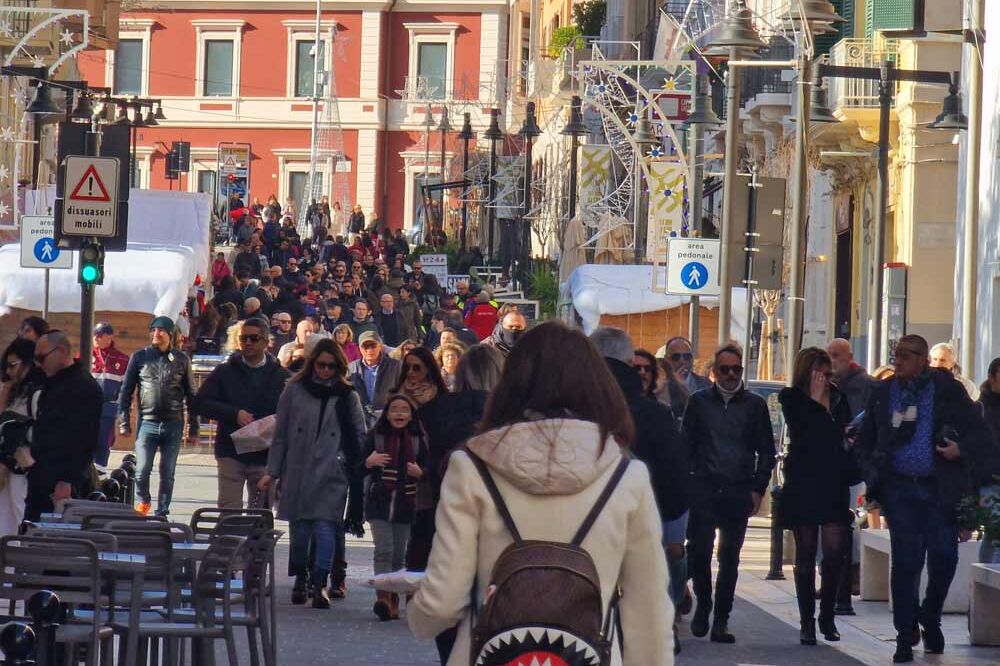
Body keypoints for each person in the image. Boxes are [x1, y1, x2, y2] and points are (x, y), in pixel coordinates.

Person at [407, 321, 672, 666]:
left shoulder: (472, 466)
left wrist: (418, 617)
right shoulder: (626, 476)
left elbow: (443, 601)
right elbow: (648, 607)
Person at [856, 334, 991, 663]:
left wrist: (961, 450)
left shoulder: (947, 391)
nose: (898, 360)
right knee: (906, 562)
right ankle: (904, 635)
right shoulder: (884, 392)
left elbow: (980, 433)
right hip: (900, 489)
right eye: (896, 354)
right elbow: (866, 441)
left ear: (922, 360)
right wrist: (876, 478)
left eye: (906, 355)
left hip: (938, 489)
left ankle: (929, 615)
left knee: (945, 558)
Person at [591, 327, 691, 656]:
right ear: (626, 359)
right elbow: (677, 479)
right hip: (643, 526)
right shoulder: (654, 415)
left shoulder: (575, 409)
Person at [258, 339, 367, 608]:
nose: (326, 371)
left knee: (326, 527)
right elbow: (281, 434)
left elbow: (359, 433)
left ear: (339, 367)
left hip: (332, 468)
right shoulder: (294, 390)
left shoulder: (347, 394)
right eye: (321, 365)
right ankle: (301, 577)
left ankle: (320, 583)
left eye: (331, 366)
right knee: (301, 529)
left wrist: (351, 464)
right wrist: (272, 471)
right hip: (298, 466)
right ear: (312, 364)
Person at [682, 343, 775, 644]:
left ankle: (721, 619)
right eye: (725, 369)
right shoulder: (698, 403)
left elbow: (767, 451)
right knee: (699, 551)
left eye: (736, 369)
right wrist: (690, 484)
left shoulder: (754, 405)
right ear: (714, 372)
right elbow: (686, 446)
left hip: (738, 490)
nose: (732, 374)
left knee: (730, 558)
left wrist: (757, 488)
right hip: (705, 489)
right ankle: (704, 603)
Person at [779, 348, 857, 646]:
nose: (823, 379)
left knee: (835, 551)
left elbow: (841, 437)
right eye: (817, 372)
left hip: (833, 480)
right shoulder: (792, 399)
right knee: (806, 553)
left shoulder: (839, 398)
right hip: (804, 482)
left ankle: (828, 614)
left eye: (826, 372)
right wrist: (814, 401)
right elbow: (808, 434)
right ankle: (807, 621)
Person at [193, 317, 290, 509]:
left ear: (265, 341)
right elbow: (199, 403)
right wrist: (233, 413)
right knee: (229, 511)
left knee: (260, 514)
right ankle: (229, 539)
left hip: (264, 454)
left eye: (253, 338)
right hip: (231, 450)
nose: (247, 343)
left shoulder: (280, 375)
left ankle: (258, 540)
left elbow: (292, 411)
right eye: (243, 338)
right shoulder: (225, 371)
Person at [118, 316, 199, 517]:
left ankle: (162, 510)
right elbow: (126, 391)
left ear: (170, 334)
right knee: (142, 470)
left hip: (173, 422)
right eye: (153, 330)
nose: (156, 334)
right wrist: (124, 420)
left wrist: (194, 427)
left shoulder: (181, 360)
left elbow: (191, 395)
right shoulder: (139, 357)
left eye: (161, 330)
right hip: (148, 421)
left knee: (168, 472)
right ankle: (143, 501)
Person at [362, 393, 429, 621]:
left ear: (411, 415)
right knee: (384, 550)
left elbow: (432, 470)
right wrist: (368, 463)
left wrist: (422, 474)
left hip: (407, 502)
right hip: (379, 501)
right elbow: (356, 467)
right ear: (387, 413)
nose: (399, 413)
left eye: (404, 409)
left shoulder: (421, 440)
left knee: (399, 555)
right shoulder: (376, 437)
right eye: (394, 409)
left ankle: (393, 601)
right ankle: (383, 598)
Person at [26, 332, 103, 522]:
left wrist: (67, 480)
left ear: (61, 351)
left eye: (42, 358)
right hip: (41, 473)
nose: (38, 363)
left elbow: (84, 439)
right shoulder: (52, 381)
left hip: (62, 479)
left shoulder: (82, 387)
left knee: (52, 536)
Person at [0, 339, 45, 534]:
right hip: (9, 466)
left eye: (13, 365)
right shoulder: (14, 390)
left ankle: (19, 559)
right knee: (5, 518)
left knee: (19, 516)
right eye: (6, 366)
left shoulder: (37, 392)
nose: (9, 371)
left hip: (24, 467)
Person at [91, 323, 130, 476]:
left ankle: (100, 470)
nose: (96, 337)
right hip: (88, 405)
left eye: (100, 335)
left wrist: (122, 409)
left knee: (104, 439)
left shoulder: (121, 358)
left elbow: (125, 388)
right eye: (95, 334)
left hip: (109, 405)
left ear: (109, 337)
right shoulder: (86, 354)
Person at [976, 357, 1000, 563]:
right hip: (989, 481)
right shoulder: (980, 409)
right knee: (996, 532)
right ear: (992, 378)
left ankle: (982, 582)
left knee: (993, 537)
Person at [348, 332, 402, 421]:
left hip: (387, 417)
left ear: (380, 346)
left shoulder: (395, 366)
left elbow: (402, 391)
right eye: (365, 346)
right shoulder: (351, 368)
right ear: (360, 349)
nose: (369, 350)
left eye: (373, 346)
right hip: (360, 418)